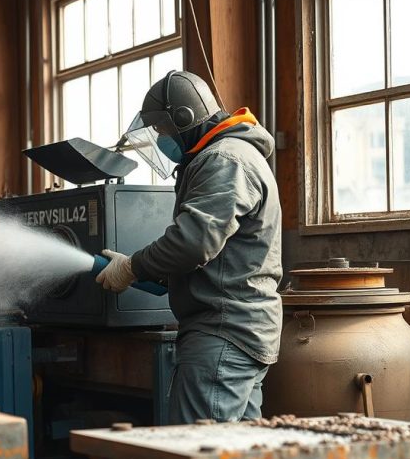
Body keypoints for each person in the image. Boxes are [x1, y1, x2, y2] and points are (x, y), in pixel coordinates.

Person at [95, 69, 282, 424]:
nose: (163, 140)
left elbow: (194, 243)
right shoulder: (228, 156)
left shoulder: (224, 160)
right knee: (238, 454)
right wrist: (146, 272)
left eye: (164, 131)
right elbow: (220, 258)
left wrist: (134, 266)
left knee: (199, 452)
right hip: (240, 332)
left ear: (183, 118)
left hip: (222, 333)